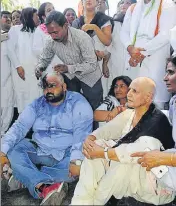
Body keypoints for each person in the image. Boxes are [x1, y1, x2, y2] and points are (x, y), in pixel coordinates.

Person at [71, 77, 175, 205]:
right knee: (98, 145)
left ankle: (95, 201)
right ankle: (80, 202)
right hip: (133, 179)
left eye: (134, 91)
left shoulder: (157, 121)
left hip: (156, 187)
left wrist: (103, 153)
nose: (129, 94)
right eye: (129, 89)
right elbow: (107, 130)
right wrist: (90, 140)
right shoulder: (131, 113)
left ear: (148, 97)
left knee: (123, 162)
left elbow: (132, 152)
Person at [0, 72, 93, 205]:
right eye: (45, 87)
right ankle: (44, 186)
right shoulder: (37, 104)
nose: (48, 90)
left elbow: (82, 135)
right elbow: (19, 127)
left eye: (52, 86)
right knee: (12, 149)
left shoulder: (78, 102)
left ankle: (25, 176)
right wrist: (2, 152)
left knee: (81, 166)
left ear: (64, 86)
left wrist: (76, 161)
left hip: (66, 154)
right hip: (39, 150)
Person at [120, 0, 176, 109]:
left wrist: (141, 53)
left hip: (154, 62)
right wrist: (130, 48)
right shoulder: (133, 8)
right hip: (133, 61)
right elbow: (124, 32)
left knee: (154, 107)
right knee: (133, 104)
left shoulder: (168, 7)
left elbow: (164, 35)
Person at [35, 10, 103, 111]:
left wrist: (68, 68)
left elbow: (91, 65)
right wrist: (40, 67)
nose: (53, 36)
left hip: (90, 78)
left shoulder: (82, 37)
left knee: (94, 111)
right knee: (71, 109)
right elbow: (44, 58)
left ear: (66, 25)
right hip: (71, 78)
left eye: (55, 32)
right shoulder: (50, 40)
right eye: (50, 33)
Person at [132, 56, 176, 192]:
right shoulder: (174, 101)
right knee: (141, 145)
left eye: (171, 72)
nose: (165, 78)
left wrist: (164, 158)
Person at [72, 0, 113, 97]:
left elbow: (107, 41)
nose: (88, 0)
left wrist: (93, 27)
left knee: (97, 98)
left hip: (98, 63)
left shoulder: (104, 19)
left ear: (96, 2)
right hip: (80, 65)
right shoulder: (76, 22)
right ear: (82, 3)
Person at [7, 7, 42, 114]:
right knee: (22, 100)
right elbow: (10, 49)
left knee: (36, 99)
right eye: (36, 16)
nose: (38, 18)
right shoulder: (15, 29)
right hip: (20, 72)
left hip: (35, 73)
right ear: (29, 16)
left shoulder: (38, 31)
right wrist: (18, 66)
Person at [108, 0, 137, 84]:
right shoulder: (113, 24)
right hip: (115, 64)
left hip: (133, 65)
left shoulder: (138, 24)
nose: (123, 5)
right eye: (122, 2)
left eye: (128, 3)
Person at [33, 2, 63, 72]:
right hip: (49, 68)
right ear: (43, 16)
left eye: (53, 8)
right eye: (49, 10)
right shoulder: (39, 30)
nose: (53, 11)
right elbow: (36, 50)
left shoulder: (62, 27)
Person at [1, 11, 14, 135]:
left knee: (7, 109)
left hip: (9, 81)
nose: (9, 19)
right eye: (5, 17)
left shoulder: (14, 35)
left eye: (10, 18)